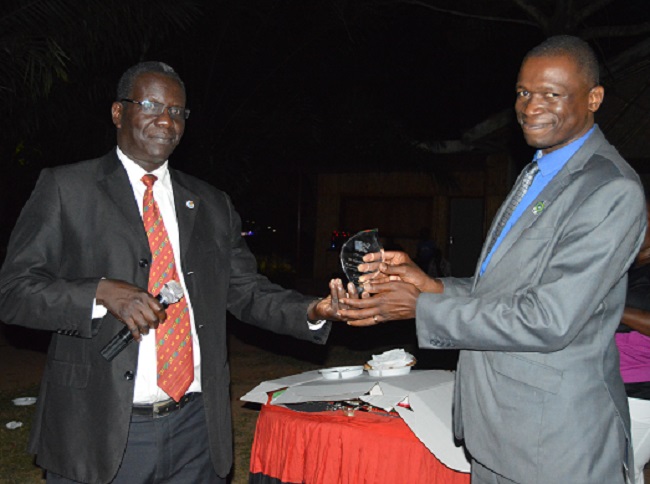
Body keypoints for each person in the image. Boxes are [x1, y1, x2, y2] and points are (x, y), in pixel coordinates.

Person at [0, 61, 348, 484]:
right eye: (151, 105)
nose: (167, 119)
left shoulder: (210, 202)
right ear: (117, 112)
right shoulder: (66, 188)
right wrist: (99, 292)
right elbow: (14, 292)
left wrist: (314, 310)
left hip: (196, 432)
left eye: (178, 111)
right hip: (101, 429)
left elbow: (246, 291)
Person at [338, 35, 647, 483]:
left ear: (594, 98)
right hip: (499, 429)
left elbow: (549, 317)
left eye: (551, 94)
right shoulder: (540, 169)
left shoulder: (609, 188)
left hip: (554, 441)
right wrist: (432, 285)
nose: (530, 107)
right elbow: (505, 289)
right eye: (523, 92)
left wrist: (422, 307)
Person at [617, 199, 650, 484]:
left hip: (642, 393)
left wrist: (614, 309)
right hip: (609, 384)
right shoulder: (625, 265)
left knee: (620, 471)